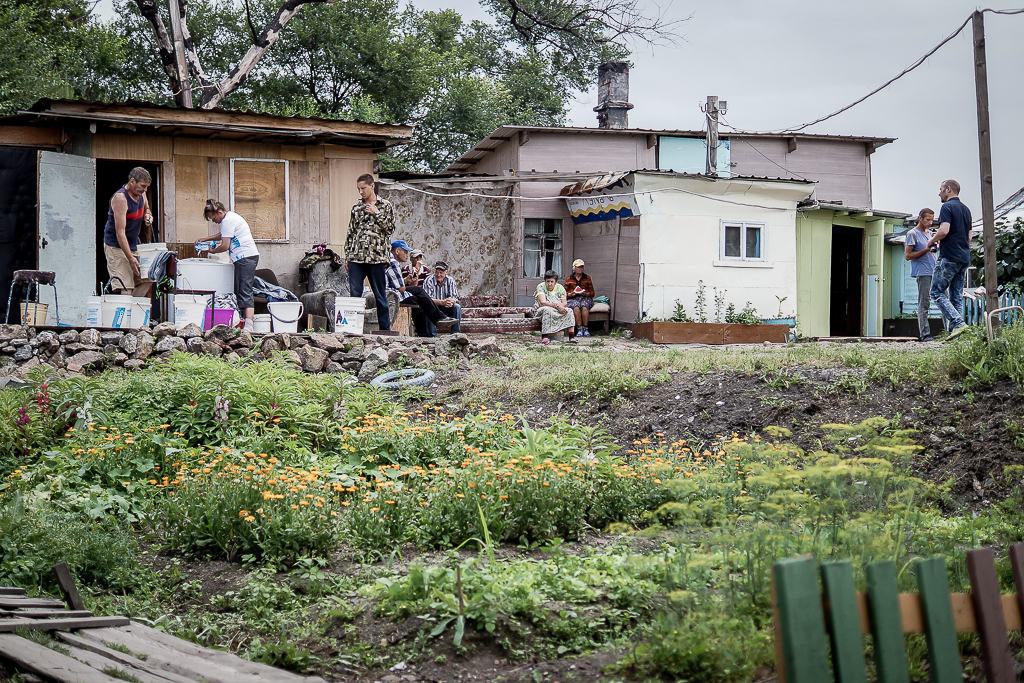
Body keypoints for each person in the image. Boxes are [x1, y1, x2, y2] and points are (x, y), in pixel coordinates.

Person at [197, 199, 260, 331]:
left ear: (219, 212)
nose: (213, 221)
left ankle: (249, 325)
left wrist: (213, 251)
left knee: (244, 290)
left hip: (246, 257)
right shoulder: (230, 218)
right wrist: (206, 239)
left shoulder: (228, 220)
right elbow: (224, 234)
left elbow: (225, 245)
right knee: (239, 290)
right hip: (243, 257)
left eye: (213, 218)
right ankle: (242, 321)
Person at [345, 174, 395, 330]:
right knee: (355, 295)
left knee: (380, 295)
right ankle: (354, 328)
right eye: (359, 189)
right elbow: (351, 233)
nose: (361, 192)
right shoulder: (356, 207)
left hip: (377, 258)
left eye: (363, 188)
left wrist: (376, 213)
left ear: (372, 186)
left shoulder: (385, 205)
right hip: (357, 258)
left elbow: (390, 229)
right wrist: (348, 256)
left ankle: (385, 330)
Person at [927, 180, 972, 341]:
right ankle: (957, 339)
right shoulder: (966, 210)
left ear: (948, 189)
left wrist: (932, 240)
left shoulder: (947, 207)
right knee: (956, 297)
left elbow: (944, 230)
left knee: (936, 292)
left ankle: (958, 323)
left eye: (940, 190)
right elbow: (969, 237)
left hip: (949, 256)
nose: (939, 193)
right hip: (964, 257)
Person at [386, 241, 457, 336]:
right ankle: (436, 321)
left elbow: (409, 282)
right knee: (420, 293)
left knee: (420, 301)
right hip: (395, 293)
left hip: (406, 292)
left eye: (420, 257)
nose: (419, 259)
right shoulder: (401, 266)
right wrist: (415, 270)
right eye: (416, 257)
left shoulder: (424, 270)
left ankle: (424, 333)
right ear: (397, 251)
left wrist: (407, 279)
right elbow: (406, 287)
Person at [102, 167, 154, 296]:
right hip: (116, 245)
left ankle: (134, 309)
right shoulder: (121, 199)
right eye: (142, 186)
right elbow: (120, 233)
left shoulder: (142, 193)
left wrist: (147, 215)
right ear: (132, 182)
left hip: (133, 243)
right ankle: (126, 313)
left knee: (148, 278)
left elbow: (147, 208)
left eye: (147, 187)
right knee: (126, 287)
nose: (145, 189)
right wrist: (130, 259)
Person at [905, 208, 937, 342]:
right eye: (927, 220)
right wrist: (926, 249)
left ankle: (950, 330)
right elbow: (908, 256)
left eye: (931, 220)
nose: (930, 222)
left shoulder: (930, 234)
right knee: (924, 302)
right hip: (922, 272)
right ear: (920, 218)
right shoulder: (912, 234)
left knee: (943, 299)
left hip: (934, 270)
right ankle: (925, 334)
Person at [535, 269, 576, 344]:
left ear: (556, 282)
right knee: (547, 310)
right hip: (543, 309)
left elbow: (564, 303)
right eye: (548, 281)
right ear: (545, 281)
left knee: (569, 310)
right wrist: (557, 306)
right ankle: (544, 336)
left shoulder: (560, 288)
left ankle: (571, 337)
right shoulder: (540, 287)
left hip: (557, 309)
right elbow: (543, 302)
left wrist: (560, 307)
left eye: (552, 282)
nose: (549, 284)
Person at [423, 261, 462, 336]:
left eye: (441, 272)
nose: (438, 275)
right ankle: (432, 336)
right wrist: (442, 302)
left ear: (446, 272)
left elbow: (454, 297)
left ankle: (455, 334)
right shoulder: (429, 280)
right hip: (434, 307)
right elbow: (427, 299)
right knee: (429, 308)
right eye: (437, 272)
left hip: (446, 307)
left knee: (457, 307)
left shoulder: (450, 280)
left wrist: (450, 301)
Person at [564, 258, 596, 337]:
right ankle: (579, 329)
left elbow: (592, 293)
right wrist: (571, 294)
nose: (580, 269)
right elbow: (564, 293)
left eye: (582, 267)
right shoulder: (569, 278)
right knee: (576, 306)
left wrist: (586, 294)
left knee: (585, 306)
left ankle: (585, 328)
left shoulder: (587, 278)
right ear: (574, 268)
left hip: (585, 298)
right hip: (572, 298)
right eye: (579, 267)